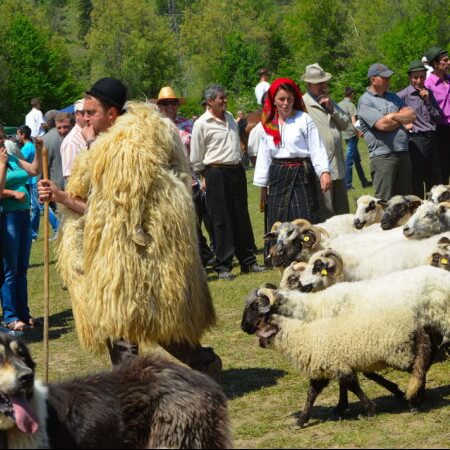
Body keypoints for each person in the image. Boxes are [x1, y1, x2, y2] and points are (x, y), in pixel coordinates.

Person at [38, 78, 221, 378]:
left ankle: (205, 365)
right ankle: (130, 388)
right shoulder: (110, 145)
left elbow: (109, 211)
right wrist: (59, 195)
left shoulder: (130, 149)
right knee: (118, 323)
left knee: (156, 322)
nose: (84, 118)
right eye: (83, 112)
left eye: (91, 112)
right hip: (121, 253)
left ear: (111, 113)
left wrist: (61, 197)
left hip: (143, 254)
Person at [190, 84, 266, 281]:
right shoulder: (202, 124)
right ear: (210, 101)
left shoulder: (230, 117)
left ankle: (248, 260)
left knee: (241, 215)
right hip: (215, 172)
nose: (225, 101)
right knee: (221, 219)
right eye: (220, 99)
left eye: (225, 98)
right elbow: (196, 155)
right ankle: (223, 265)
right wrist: (203, 176)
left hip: (236, 171)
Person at [253, 77, 331, 233]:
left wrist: (324, 172)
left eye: (289, 99)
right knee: (278, 223)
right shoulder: (267, 124)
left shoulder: (303, 119)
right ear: (273, 100)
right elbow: (264, 156)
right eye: (281, 99)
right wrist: (263, 187)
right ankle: (281, 257)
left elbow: (316, 147)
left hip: (302, 175)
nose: (285, 103)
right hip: (277, 177)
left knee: (304, 221)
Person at [154, 86, 215, 267]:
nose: (170, 106)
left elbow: (201, 150)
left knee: (209, 218)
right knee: (189, 224)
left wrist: (204, 175)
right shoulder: (155, 129)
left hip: (196, 179)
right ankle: (200, 256)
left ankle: (218, 253)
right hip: (174, 184)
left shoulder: (189, 124)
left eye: (173, 103)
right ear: (159, 106)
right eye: (165, 103)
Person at [0, 130, 42, 332]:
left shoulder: (13, 158)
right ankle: (10, 316)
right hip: (8, 219)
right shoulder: (1, 162)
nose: (0, 141)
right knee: (10, 270)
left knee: (22, 269)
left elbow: (34, 170)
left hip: (24, 216)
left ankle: (23, 314)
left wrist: (40, 149)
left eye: (1, 137)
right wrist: (12, 192)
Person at [357, 63, 416, 200]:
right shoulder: (365, 101)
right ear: (373, 80)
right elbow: (383, 125)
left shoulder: (393, 96)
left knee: (406, 199)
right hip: (383, 156)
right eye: (385, 78)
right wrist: (401, 118)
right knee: (385, 200)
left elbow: (412, 115)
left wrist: (393, 116)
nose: (388, 80)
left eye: (389, 77)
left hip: (403, 152)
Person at [301, 63, 350, 219]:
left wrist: (332, 109)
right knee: (327, 214)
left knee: (343, 213)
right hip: (321, 169)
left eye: (324, 82)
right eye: (319, 83)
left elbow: (345, 124)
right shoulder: (303, 104)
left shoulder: (329, 100)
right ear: (309, 84)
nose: (323, 86)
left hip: (338, 165)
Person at [397, 60, 442, 198]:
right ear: (409, 77)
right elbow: (395, 117)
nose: (419, 80)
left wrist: (428, 101)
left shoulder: (429, 93)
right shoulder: (402, 96)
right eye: (415, 77)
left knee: (434, 179)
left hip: (432, 138)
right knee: (416, 179)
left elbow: (438, 118)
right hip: (415, 140)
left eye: (422, 77)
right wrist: (404, 125)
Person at [424, 46, 450, 184]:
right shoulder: (428, 85)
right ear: (435, 64)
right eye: (445, 60)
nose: (449, 62)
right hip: (441, 131)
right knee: (444, 168)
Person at [338, 87, 372, 190]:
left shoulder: (338, 105)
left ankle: (364, 182)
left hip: (344, 134)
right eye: (354, 94)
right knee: (349, 161)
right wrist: (359, 132)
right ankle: (348, 185)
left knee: (357, 160)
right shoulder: (351, 105)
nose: (354, 96)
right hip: (352, 135)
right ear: (351, 94)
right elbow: (354, 122)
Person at [60, 99, 87, 185]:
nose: (87, 116)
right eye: (84, 113)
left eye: (91, 112)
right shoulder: (71, 142)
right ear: (77, 114)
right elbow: (70, 179)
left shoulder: (92, 133)